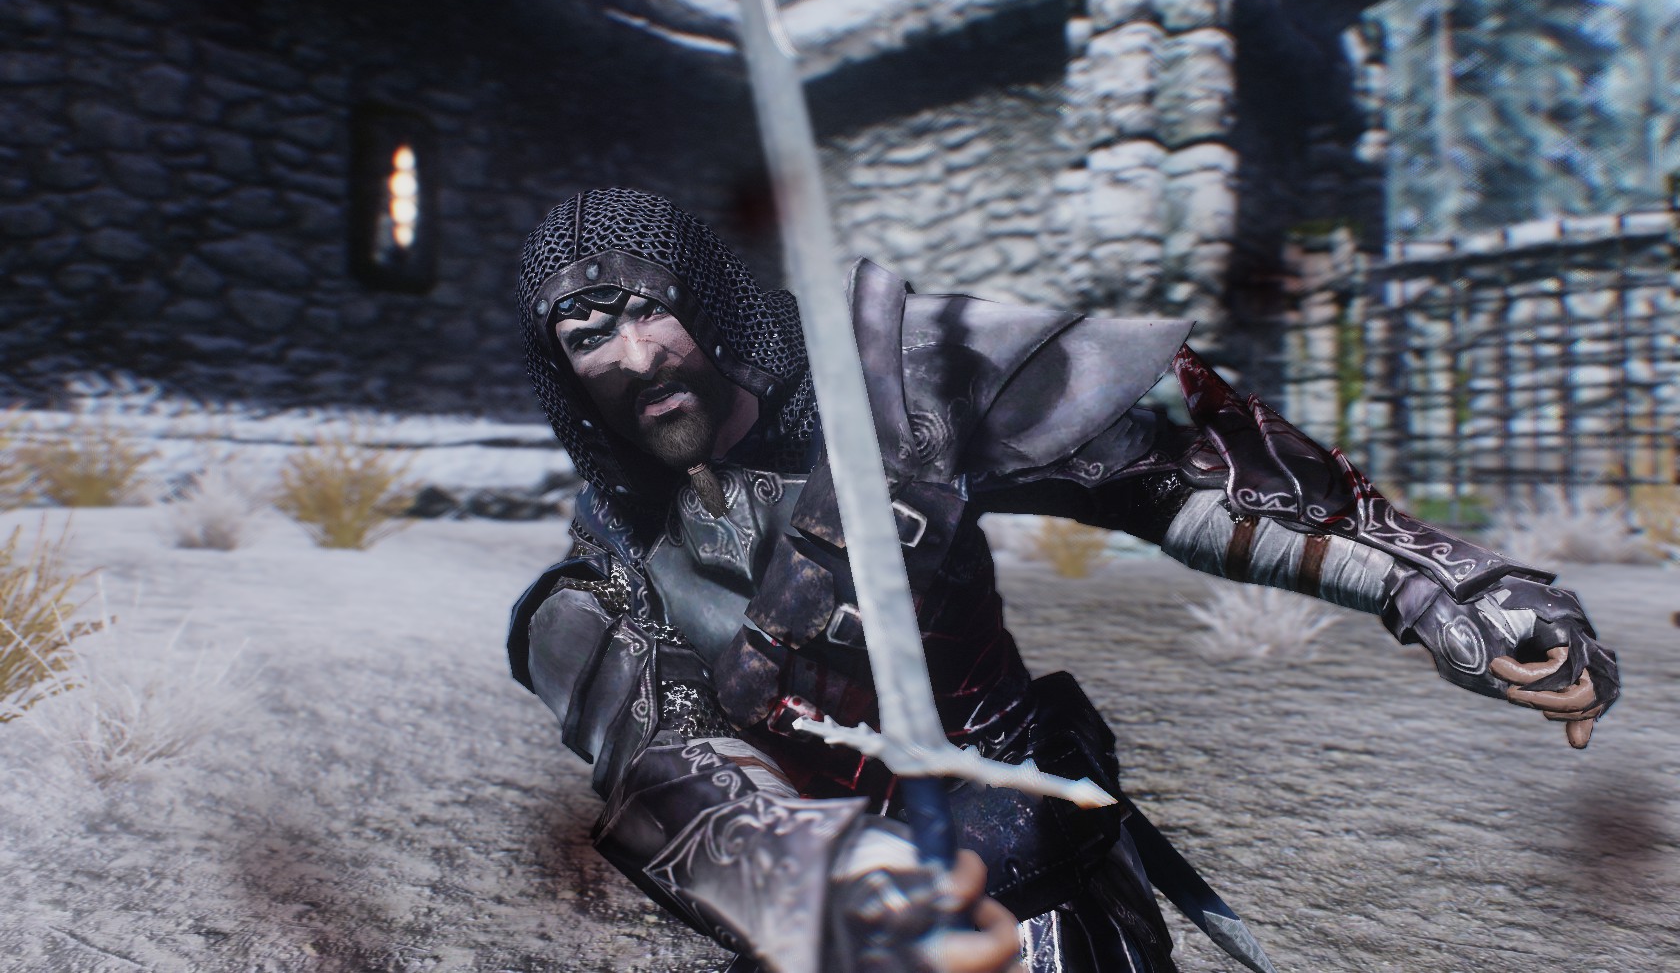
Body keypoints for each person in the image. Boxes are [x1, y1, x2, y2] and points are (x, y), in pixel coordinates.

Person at [507, 188, 1620, 973]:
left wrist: (1442, 586)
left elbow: (1170, 479)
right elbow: (665, 760)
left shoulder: (894, 392)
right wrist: (824, 889)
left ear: (705, 298)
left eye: (647, 309)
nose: (635, 356)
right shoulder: (608, 556)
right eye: (586, 335)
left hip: (1024, 865)